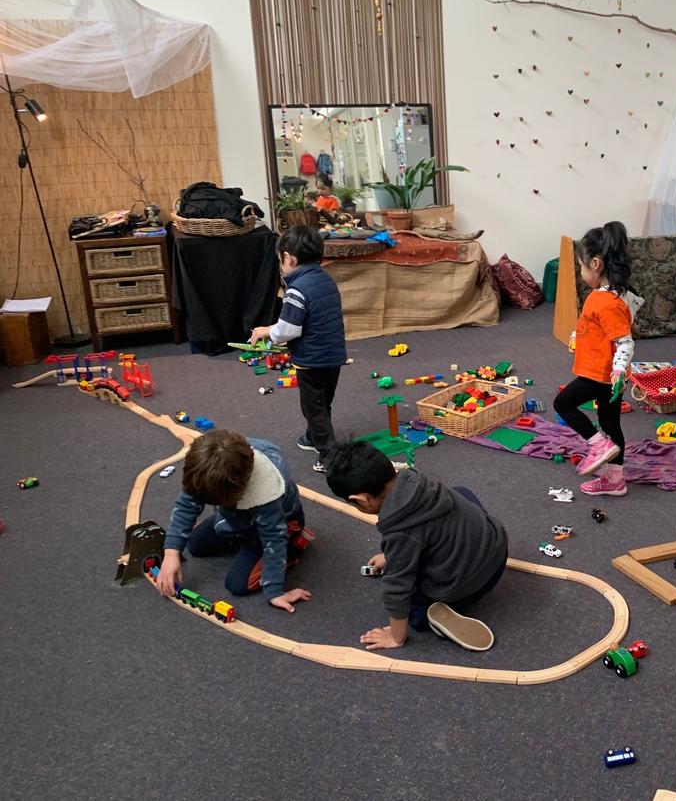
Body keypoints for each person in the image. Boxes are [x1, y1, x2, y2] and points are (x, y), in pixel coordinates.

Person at [325, 441, 508, 652]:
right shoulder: (414, 477)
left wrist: (396, 636)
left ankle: (435, 617)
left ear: (362, 499)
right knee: (461, 492)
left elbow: (397, 587)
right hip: (497, 547)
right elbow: (425, 531)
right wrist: (392, 555)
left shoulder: (400, 531)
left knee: (414, 612)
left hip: (468, 586)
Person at [154, 430, 313, 612]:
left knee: (238, 584)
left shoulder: (266, 492)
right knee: (194, 545)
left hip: (276, 526)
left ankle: (296, 542)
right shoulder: (209, 466)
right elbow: (186, 506)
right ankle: (235, 533)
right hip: (235, 517)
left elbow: (273, 539)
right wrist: (171, 552)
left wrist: (275, 591)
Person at [552, 221, 642, 497]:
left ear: (595, 264)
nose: (580, 272)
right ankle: (615, 480)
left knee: (563, 404)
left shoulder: (606, 302)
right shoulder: (609, 295)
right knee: (610, 424)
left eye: (581, 266)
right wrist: (578, 337)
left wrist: (617, 372)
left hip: (600, 376)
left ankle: (598, 445)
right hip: (608, 376)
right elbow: (598, 328)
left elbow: (625, 341)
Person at [250, 226, 347, 473]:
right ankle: (313, 437)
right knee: (323, 401)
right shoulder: (326, 279)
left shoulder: (297, 289)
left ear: (288, 258)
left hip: (311, 360)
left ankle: (329, 456)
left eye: (280, 261)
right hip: (333, 355)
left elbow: (288, 330)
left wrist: (266, 331)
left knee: (313, 407)